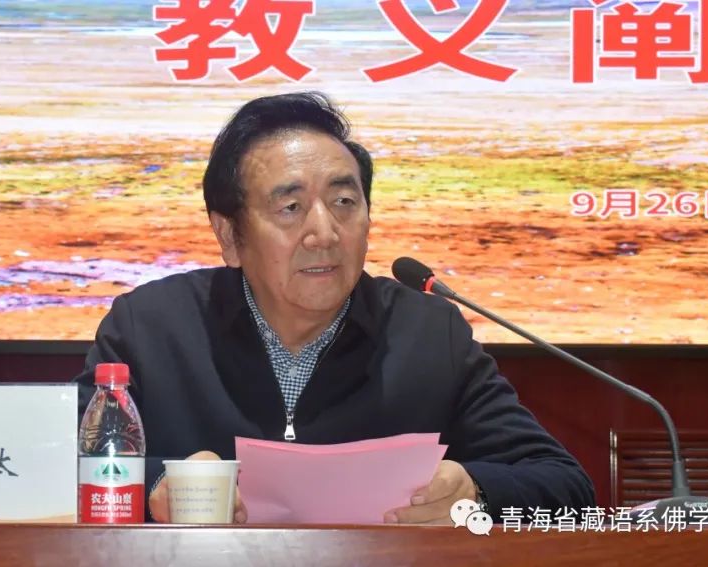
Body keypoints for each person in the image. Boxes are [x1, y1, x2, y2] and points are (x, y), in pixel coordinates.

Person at [73, 91, 596, 524]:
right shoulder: (150, 327)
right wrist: (158, 488)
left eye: (344, 202)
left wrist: (474, 490)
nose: (323, 233)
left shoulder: (429, 334)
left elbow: (565, 485)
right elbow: (59, 466)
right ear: (229, 235)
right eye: (290, 207)